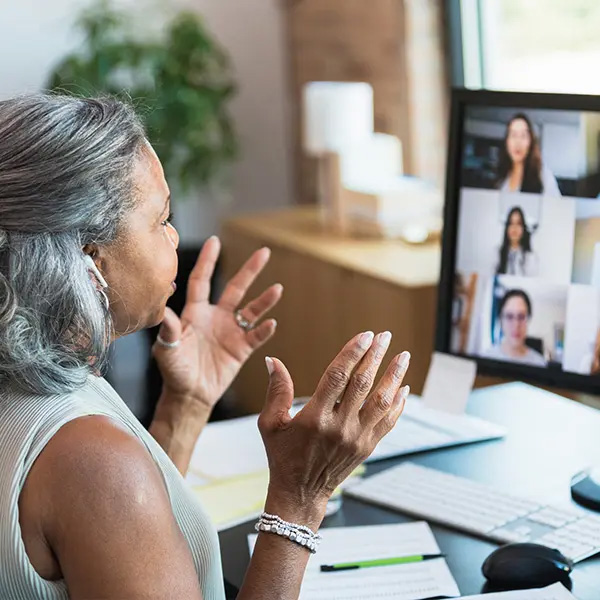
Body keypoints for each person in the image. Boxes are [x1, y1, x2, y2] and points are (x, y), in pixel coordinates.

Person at [0, 94, 411, 600]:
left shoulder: (32, 387)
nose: (174, 239)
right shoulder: (88, 458)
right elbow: (103, 489)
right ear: (90, 258)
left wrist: (186, 405)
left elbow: (112, 532)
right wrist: (300, 498)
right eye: (160, 219)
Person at [496, 113, 561, 196]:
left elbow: (557, 206)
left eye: (523, 136)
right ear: (507, 141)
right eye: (513, 135)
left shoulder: (543, 176)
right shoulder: (502, 179)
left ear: (530, 142)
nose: (518, 142)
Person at [482, 289, 546, 367]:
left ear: (529, 319)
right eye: (509, 316)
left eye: (521, 317)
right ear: (501, 320)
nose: (516, 325)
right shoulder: (487, 358)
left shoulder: (539, 363)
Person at [496, 206, 539, 276]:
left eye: (518, 224)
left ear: (523, 228)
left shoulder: (530, 257)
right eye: (511, 223)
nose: (514, 228)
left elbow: (531, 283)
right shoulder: (497, 253)